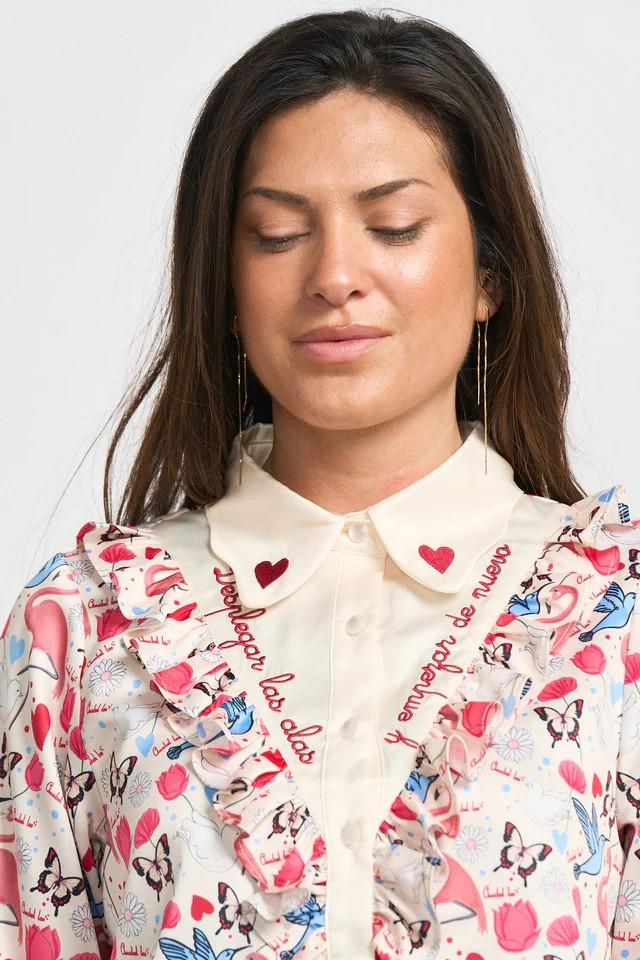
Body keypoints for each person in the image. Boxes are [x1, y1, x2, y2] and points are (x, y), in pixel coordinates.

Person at [1, 8, 638, 960]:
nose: (336, 275)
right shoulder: (83, 634)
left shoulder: (615, 622)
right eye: (278, 234)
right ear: (224, 285)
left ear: (490, 277)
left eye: (394, 226)